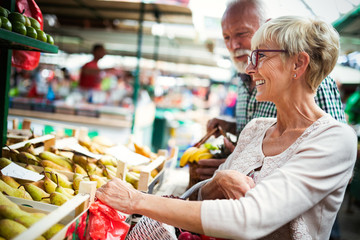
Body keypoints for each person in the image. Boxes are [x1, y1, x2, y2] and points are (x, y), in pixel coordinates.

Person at [96, 16, 357, 239]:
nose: (250, 67)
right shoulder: (256, 129)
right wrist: (218, 181)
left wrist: (136, 200)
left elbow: (249, 218)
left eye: (260, 55)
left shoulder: (335, 139)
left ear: (298, 64)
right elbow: (199, 200)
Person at [197, 0, 347, 181]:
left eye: (241, 34)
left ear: (266, 27)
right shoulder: (244, 78)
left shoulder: (313, 81)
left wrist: (239, 172)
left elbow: (334, 161)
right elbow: (262, 136)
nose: (233, 45)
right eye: (227, 37)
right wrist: (232, 135)